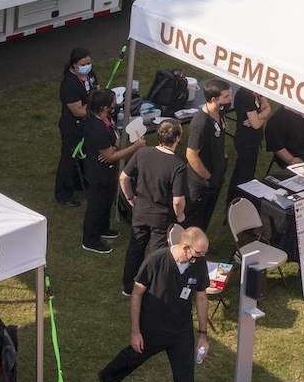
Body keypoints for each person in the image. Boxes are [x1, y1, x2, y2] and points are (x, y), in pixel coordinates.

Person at [97, 226, 214, 382]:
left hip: (181, 329)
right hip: (154, 326)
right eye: (200, 252)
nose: (203, 256)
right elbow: (136, 294)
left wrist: (203, 335)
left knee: (185, 377)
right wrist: (135, 332)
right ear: (186, 248)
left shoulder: (198, 264)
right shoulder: (156, 260)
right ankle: (108, 377)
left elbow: (201, 297)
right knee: (135, 355)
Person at [121, 119, 189, 296]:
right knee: (158, 253)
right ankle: (153, 288)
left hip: (140, 210)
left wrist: (130, 197)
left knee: (136, 247)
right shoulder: (178, 165)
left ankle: (129, 286)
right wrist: (180, 216)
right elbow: (177, 200)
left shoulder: (142, 153)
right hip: (162, 217)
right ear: (177, 139)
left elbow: (123, 178)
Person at [80, 88, 135, 254]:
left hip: (108, 172)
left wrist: (113, 148)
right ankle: (90, 240)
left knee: (106, 201)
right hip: (99, 174)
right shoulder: (96, 128)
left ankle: (103, 228)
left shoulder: (106, 120)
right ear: (104, 107)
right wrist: (135, 147)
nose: (115, 105)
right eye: (113, 103)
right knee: (96, 206)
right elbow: (111, 157)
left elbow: (116, 138)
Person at [183, 78, 233, 231]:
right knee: (194, 218)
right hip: (201, 182)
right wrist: (207, 177)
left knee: (207, 214)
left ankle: (202, 242)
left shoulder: (219, 113)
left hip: (216, 174)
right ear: (213, 99)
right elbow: (191, 154)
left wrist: (223, 158)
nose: (230, 99)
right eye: (226, 97)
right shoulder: (201, 124)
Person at [55, 48, 95, 207]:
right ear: (74, 65)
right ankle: (63, 194)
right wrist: (95, 108)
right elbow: (77, 111)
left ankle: (79, 182)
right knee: (69, 159)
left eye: (89, 63)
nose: (87, 66)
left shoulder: (90, 75)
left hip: (88, 122)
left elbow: (96, 90)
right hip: (72, 127)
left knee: (85, 155)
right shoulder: (69, 85)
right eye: (83, 64)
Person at [225, 89, 269, 211]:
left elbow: (268, 107)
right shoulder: (245, 96)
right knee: (245, 176)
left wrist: (259, 116)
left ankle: (232, 202)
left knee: (240, 172)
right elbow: (256, 124)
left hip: (252, 141)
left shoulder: (256, 91)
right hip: (246, 141)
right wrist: (260, 116)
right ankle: (238, 207)